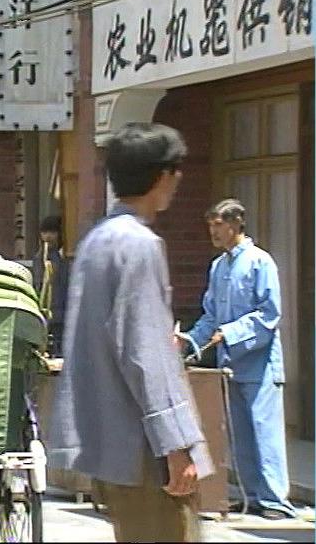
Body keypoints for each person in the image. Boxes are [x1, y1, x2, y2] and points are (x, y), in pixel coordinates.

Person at [49, 123, 213, 542]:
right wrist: (175, 443)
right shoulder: (139, 245)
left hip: (110, 436)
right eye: (175, 171)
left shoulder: (96, 241)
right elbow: (146, 353)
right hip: (144, 444)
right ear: (161, 176)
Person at [186, 199, 296, 520]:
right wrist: (189, 339)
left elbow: (269, 314)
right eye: (210, 226)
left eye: (218, 225)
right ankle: (251, 496)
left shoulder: (260, 262)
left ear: (235, 224)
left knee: (264, 432)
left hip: (259, 364)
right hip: (230, 365)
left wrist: (231, 332)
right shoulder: (218, 266)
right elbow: (211, 316)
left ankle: (274, 500)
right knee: (240, 434)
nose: (214, 232)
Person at [31, 215, 68, 356]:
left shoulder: (65, 258)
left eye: (52, 232)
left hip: (62, 314)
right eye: (44, 232)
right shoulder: (39, 258)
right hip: (45, 315)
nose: (48, 236)